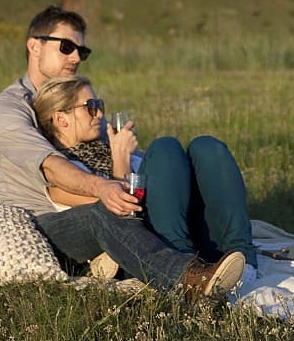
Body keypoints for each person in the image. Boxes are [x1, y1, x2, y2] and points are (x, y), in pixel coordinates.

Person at [0, 6, 244, 298]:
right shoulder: (9, 110)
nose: (76, 57)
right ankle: (185, 279)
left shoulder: (78, 101)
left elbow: (120, 162)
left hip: (94, 205)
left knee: (178, 163)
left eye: (82, 51)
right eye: (66, 47)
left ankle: (229, 257)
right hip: (40, 226)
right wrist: (105, 186)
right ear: (34, 46)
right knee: (104, 213)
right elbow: (51, 167)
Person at [31, 74, 258, 279]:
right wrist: (120, 158)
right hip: (157, 253)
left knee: (206, 147)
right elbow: (122, 213)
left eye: (99, 105)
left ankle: (244, 257)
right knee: (164, 147)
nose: (99, 113)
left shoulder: (108, 150)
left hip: (201, 233)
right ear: (61, 119)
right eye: (90, 107)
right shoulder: (67, 179)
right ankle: (186, 266)